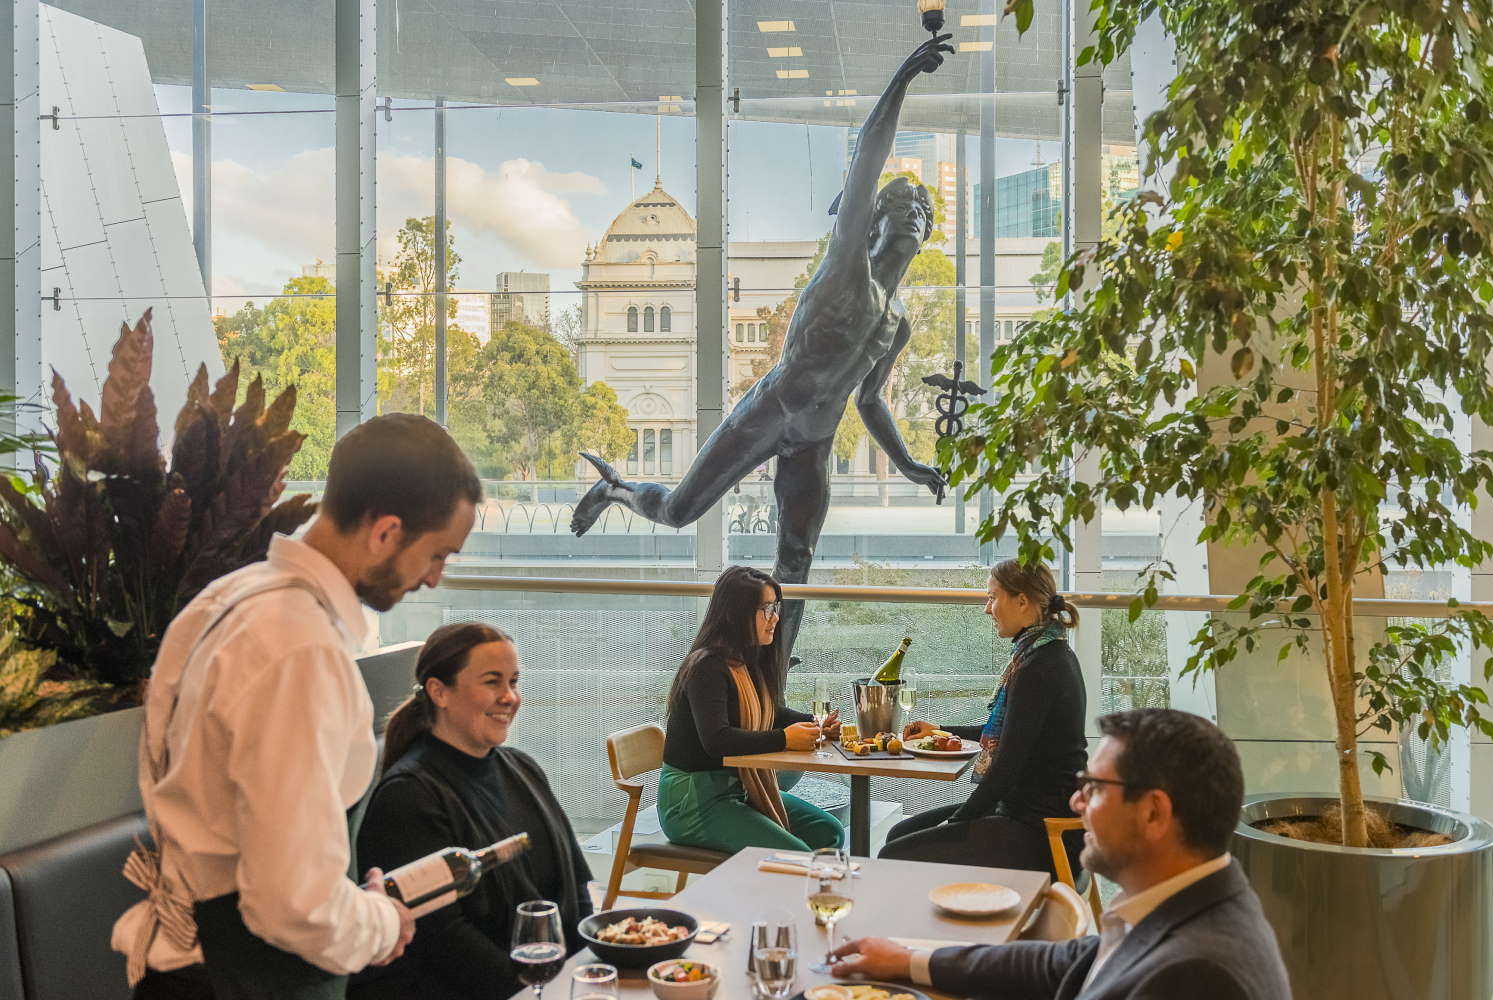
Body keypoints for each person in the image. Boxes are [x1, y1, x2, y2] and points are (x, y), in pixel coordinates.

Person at [570, 35, 956, 662]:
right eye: (905, 203)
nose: (917, 214)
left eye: (925, 209)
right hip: (771, 408)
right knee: (678, 511)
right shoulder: (843, 270)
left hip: (815, 439)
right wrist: (903, 78)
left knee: (797, 555)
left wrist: (909, 464)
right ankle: (616, 489)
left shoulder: (898, 321)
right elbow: (866, 160)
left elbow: (871, 401)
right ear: (876, 220)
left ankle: (778, 661)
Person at [114, 413, 482, 1000]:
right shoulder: (299, 647)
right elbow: (293, 903)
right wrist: (381, 922)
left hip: (185, 964)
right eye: (438, 554)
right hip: (244, 979)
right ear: (386, 532)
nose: (435, 579)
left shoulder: (225, 600)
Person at [832, 709, 1293, 1000]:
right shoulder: (1189, 911)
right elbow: (1063, 962)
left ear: (1154, 812)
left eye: (1093, 788)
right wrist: (911, 959)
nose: (1076, 803)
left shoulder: (1197, 974)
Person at [350, 623, 594, 1000]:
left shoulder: (523, 768)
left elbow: (577, 891)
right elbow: (443, 943)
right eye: (492, 682)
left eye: (513, 681)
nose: (509, 697)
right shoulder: (408, 797)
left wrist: (583, 974)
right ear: (439, 692)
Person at [881, 560, 1086, 873]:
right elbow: (1011, 734)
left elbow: (1004, 770)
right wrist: (938, 731)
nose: (987, 609)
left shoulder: (1039, 668)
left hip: (1044, 832)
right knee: (899, 834)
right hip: (1026, 815)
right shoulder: (1045, 654)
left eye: (993, 598)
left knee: (895, 855)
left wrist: (955, 821)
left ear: (1021, 600)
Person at [658, 565, 845, 853]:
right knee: (797, 856)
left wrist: (816, 724)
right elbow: (717, 741)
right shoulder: (706, 666)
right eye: (767, 609)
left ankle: (771, 896)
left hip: (739, 789)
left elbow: (770, 712)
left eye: (776, 607)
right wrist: (785, 739)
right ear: (737, 613)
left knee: (828, 832)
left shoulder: (747, 659)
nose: (775, 618)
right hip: (694, 802)